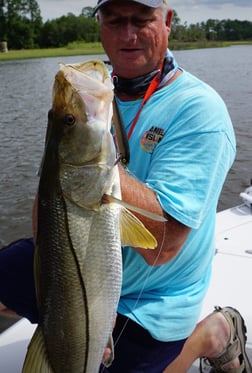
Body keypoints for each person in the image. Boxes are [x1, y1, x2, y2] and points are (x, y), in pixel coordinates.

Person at [0, 0, 251, 372]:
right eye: (115, 20)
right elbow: (49, 207)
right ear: (100, 24)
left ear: (167, 22)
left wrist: (91, 165)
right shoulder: (99, 101)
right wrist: (58, 293)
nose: (127, 34)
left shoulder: (199, 110)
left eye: (141, 19)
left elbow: (162, 247)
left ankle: (210, 334)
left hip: (154, 299)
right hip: (81, 271)